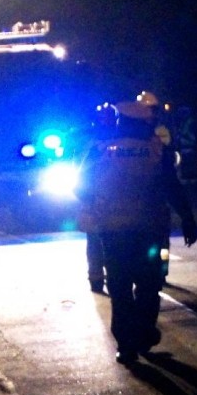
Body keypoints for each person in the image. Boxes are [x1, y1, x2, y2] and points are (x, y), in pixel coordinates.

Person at [76, 91, 197, 366]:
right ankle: (144, 335)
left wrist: (101, 204)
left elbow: (80, 187)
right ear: (144, 124)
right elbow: (172, 188)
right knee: (149, 286)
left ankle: (126, 346)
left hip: (113, 231)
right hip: (150, 230)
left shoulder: (100, 150)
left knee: (119, 289)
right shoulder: (158, 151)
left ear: (120, 122)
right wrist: (188, 218)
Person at [74, 102, 119, 294]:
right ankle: (98, 279)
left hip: (113, 201)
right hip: (99, 201)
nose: (106, 121)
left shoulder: (119, 141)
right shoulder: (91, 143)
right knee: (95, 242)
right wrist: (89, 200)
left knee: (105, 243)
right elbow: (81, 175)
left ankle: (107, 279)